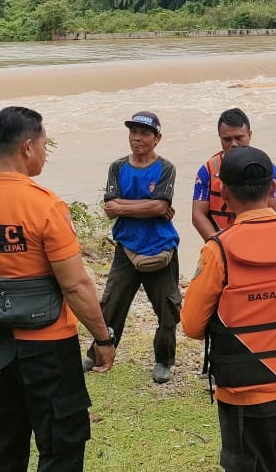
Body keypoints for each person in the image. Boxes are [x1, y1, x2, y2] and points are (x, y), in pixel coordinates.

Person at [0, 106, 118, 470]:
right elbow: (75, 286)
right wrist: (102, 338)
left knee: (1, 444)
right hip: (48, 344)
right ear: (27, 147)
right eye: (42, 145)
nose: (42, 153)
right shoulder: (45, 206)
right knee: (62, 441)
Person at [182, 146, 276, 472]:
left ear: (224, 194)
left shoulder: (218, 250)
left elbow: (192, 325)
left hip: (245, 392)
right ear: (272, 187)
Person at [94, 110, 181, 383]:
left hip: (161, 247)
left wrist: (127, 206)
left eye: (144, 133)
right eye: (133, 132)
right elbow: (109, 208)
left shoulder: (165, 168)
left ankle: (164, 360)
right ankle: (98, 353)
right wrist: (152, 206)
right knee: (110, 305)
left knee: (168, 309)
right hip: (126, 248)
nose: (137, 138)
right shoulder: (117, 167)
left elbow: (159, 206)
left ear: (157, 138)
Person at [191, 108, 276, 240]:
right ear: (220, 138)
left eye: (239, 137)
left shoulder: (266, 168)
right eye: (227, 139)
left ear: (250, 135)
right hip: (221, 239)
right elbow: (198, 215)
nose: (234, 144)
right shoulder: (207, 170)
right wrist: (218, 244)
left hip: (260, 238)